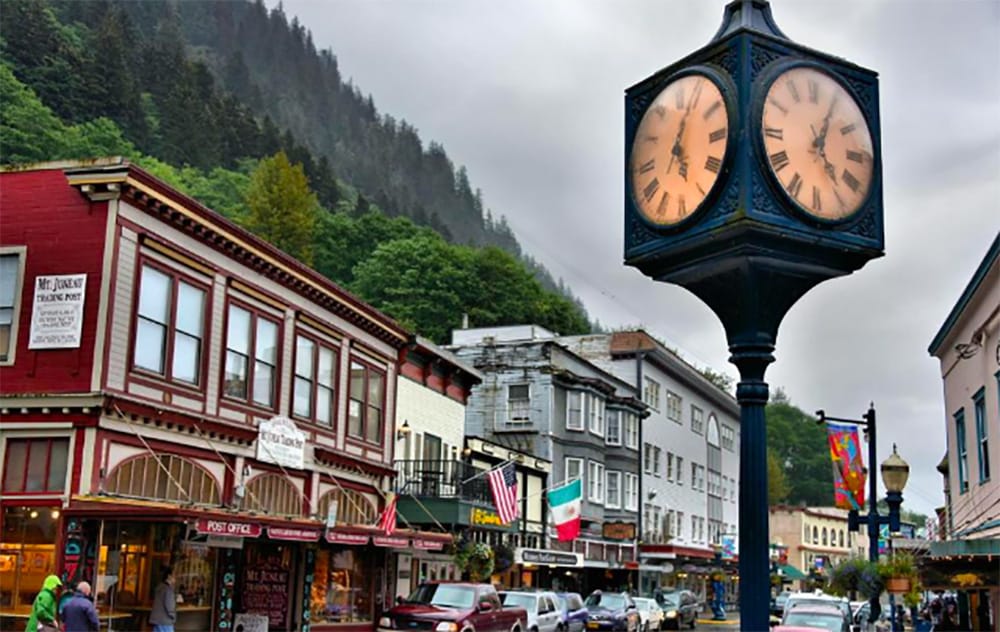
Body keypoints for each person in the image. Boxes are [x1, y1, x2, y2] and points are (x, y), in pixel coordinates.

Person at [150, 568, 177, 632]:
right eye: (174, 575)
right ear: (169, 576)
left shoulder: (159, 587)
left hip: (157, 619)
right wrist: (173, 615)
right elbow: (169, 605)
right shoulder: (168, 589)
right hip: (165, 620)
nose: (175, 577)